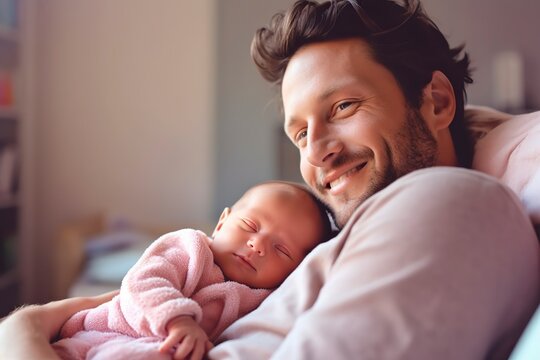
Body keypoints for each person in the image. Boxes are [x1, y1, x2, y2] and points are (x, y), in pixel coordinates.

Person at [1, 0, 539, 359]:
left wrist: (22, 337)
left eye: (345, 105)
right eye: (301, 133)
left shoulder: (451, 204)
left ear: (437, 101)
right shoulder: (340, 239)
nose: (320, 152)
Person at [50, 181, 334, 360]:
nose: (257, 245)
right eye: (250, 226)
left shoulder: (269, 299)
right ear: (222, 222)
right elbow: (144, 281)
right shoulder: (191, 248)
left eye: (281, 250)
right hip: (111, 333)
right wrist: (179, 321)